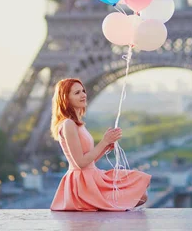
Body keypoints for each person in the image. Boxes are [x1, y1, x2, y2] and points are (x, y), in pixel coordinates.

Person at [49, 78, 151, 211]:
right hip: (83, 183)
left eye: (83, 91)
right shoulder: (68, 124)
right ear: (65, 98)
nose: (83, 95)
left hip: (91, 177)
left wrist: (106, 146)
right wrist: (104, 141)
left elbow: (89, 160)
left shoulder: (77, 124)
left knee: (140, 190)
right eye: (77, 93)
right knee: (138, 195)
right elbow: (80, 163)